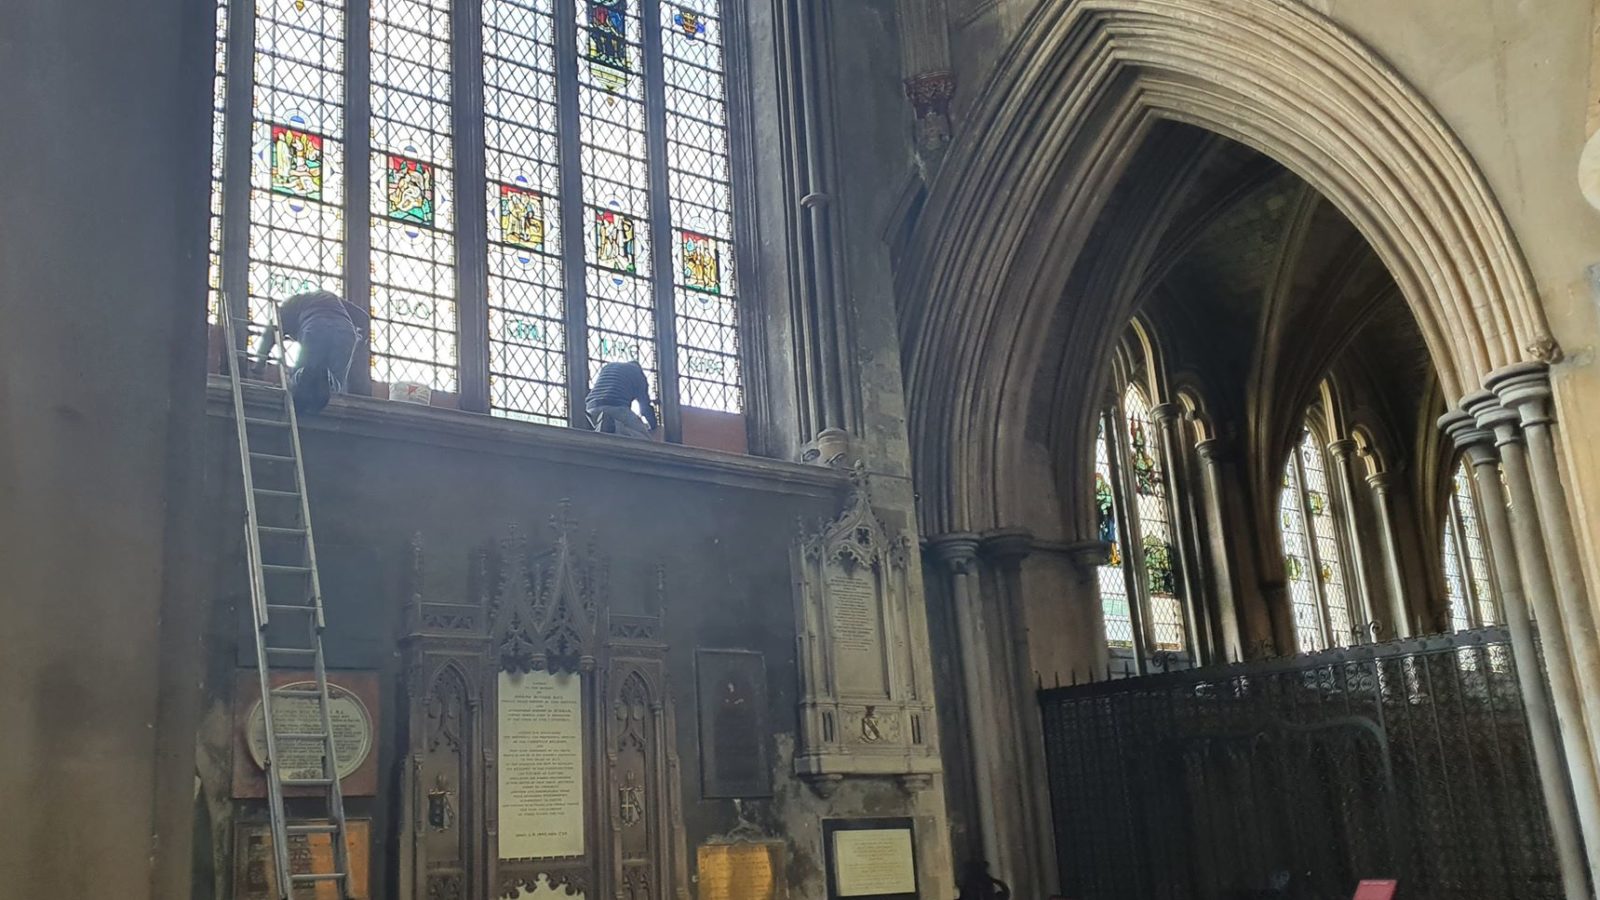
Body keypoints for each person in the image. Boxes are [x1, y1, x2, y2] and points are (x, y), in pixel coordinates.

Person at [254, 290, 368, 416]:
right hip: (346, 334)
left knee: (302, 376)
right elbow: (364, 318)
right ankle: (327, 378)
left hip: (315, 327)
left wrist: (259, 365)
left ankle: (306, 376)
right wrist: (361, 343)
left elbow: (270, 333)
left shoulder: (287, 307)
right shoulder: (329, 297)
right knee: (336, 384)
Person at [585, 360, 657, 439]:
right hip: (616, 406)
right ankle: (613, 427)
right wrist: (653, 426)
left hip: (590, 409)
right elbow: (645, 408)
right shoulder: (637, 372)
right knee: (646, 440)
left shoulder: (608, 367)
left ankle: (602, 425)